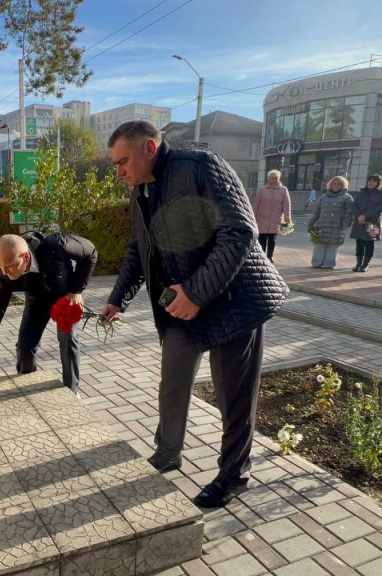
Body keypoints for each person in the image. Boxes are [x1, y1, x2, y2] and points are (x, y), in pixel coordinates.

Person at [100, 121, 288, 508]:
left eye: (122, 162)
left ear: (149, 147)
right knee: (172, 384)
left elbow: (240, 231)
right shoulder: (141, 191)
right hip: (181, 305)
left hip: (234, 301)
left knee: (233, 397)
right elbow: (138, 248)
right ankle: (168, 452)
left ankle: (234, 475)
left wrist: (197, 292)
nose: (119, 172)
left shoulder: (201, 166)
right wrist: (118, 299)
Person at [0, 232, 98, 395]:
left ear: (26, 257)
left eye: (9, 266)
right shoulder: (5, 275)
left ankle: (72, 392)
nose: (4, 272)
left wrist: (76, 290)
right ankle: (27, 385)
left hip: (64, 297)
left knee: (68, 339)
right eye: (0, 266)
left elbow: (91, 253)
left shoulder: (56, 245)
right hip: (36, 301)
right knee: (25, 347)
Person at [307, 176, 354, 269]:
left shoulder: (347, 198)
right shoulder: (323, 197)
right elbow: (316, 212)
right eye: (334, 183)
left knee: (333, 245)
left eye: (339, 184)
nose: (336, 185)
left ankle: (329, 264)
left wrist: (346, 224)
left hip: (337, 226)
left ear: (343, 185)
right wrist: (310, 222)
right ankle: (316, 262)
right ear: (330, 185)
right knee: (319, 244)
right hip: (322, 225)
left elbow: (349, 213)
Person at [349, 174, 382, 272]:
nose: (371, 183)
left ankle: (365, 264)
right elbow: (354, 206)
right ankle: (358, 264)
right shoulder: (361, 192)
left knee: (369, 243)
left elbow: (380, 207)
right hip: (359, 221)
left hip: (372, 221)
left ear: (378, 183)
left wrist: (365, 216)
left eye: (374, 181)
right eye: (369, 180)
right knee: (359, 243)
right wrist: (359, 216)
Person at [252, 170, 291, 262]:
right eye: (271, 178)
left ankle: (270, 256)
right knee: (262, 238)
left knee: (272, 239)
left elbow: (286, 205)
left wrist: (287, 219)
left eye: (275, 178)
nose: (273, 180)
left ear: (279, 178)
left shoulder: (283, 190)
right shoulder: (262, 190)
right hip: (262, 218)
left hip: (276, 219)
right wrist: (253, 217)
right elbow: (256, 204)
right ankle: (261, 256)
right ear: (268, 179)